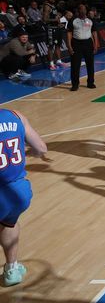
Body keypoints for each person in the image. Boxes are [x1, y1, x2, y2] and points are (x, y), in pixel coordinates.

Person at [0, 109, 48, 286]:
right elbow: (41, 148)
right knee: (8, 223)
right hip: (19, 193)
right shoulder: (15, 115)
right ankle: (11, 270)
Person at [67, 4, 99, 91]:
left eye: (84, 9)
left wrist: (95, 44)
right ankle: (75, 84)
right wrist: (69, 46)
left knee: (90, 64)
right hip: (76, 43)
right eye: (81, 9)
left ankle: (90, 82)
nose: (83, 11)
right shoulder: (73, 20)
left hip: (88, 43)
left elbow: (94, 33)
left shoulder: (90, 20)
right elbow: (69, 34)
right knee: (75, 65)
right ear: (78, 11)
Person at [42, 0, 67, 70]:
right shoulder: (47, 6)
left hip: (57, 28)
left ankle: (59, 61)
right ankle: (51, 64)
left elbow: (56, 18)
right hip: (50, 29)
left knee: (58, 45)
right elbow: (45, 19)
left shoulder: (54, 6)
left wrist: (59, 24)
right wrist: (55, 20)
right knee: (50, 46)